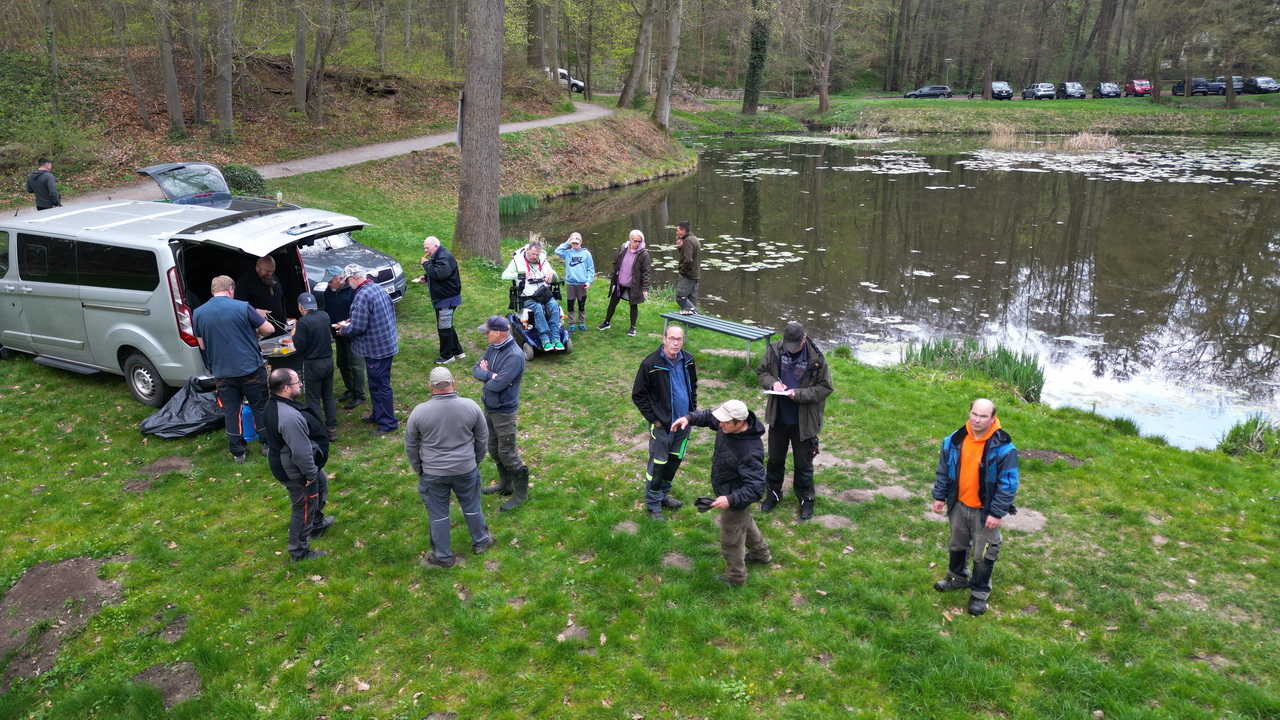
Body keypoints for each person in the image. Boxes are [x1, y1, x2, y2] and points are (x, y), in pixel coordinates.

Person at [930, 398, 1020, 616]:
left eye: (983, 416)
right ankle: (957, 578)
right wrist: (940, 496)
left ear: (993, 418)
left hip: (985, 512)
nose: (977, 420)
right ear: (969, 413)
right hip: (959, 505)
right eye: (974, 414)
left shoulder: (1004, 447)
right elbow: (944, 470)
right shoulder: (954, 440)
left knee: (983, 554)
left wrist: (996, 513)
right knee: (957, 545)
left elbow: (1008, 484)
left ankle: (979, 593)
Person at [671, 400, 771, 586]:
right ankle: (761, 554)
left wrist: (731, 499)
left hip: (735, 496)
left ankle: (735, 578)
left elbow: (757, 488)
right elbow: (710, 417)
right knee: (744, 523)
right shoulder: (728, 424)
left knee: (731, 540)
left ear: (740, 423)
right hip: (729, 491)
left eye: (725, 422)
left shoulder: (749, 452)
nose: (720, 424)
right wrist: (689, 418)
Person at [405, 366, 495, 568]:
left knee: (438, 514)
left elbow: (410, 444)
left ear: (430, 387)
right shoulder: (470, 406)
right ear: (453, 383)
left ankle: (443, 557)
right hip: (466, 469)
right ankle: (481, 541)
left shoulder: (419, 412)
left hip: (433, 473)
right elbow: (483, 437)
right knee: (472, 506)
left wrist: (418, 467)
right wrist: (475, 460)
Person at [756, 321, 834, 520]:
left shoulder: (817, 358)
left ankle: (806, 499)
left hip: (804, 421)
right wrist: (773, 383)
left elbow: (825, 388)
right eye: (788, 346)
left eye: (795, 346)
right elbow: (762, 372)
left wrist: (798, 394)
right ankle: (773, 493)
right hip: (778, 417)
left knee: (803, 463)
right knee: (775, 459)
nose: (790, 350)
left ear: (804, 340)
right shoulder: (775, 349)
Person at [192, 275, 274, 463]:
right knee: (259, 406)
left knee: (231, 410)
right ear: (231, 289)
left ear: (212, 291)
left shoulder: (198, 313)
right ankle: (267, 445)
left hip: (222, 372)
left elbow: (202, 345)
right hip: (250, 369)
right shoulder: (243, 307)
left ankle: (238, 452)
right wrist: (255, 332)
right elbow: (269, 329)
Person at [264, 368, 333, 562]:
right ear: (286, 388)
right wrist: (310, 474)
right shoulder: (289, 417)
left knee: (321, 485)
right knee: (303, 507)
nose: (301, 384)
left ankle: (317, 525)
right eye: (297, 382)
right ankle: (298, 552)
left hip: (295, 463)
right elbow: (301, 452)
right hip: (296, 470)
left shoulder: (274, 402)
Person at [632, 324, 697, 520]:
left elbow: (693, 386)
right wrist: (655, 420)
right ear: (664, 339)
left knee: (674, 461)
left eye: (679, 339)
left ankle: (662, 495)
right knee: (658, 464)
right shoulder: (651, 364)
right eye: (672, 338)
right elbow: (638, 395)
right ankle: (653, 504)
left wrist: (692, 412)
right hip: (663, 427)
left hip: (684, 422)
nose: (675, 343)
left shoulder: (688, 359)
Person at [472, 315, 529, 511]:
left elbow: (496, 386)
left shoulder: (514, 356)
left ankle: (521, 495)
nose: (485, 334)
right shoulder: (493, 347)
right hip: (490, 406)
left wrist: (489, 377)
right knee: (494, 448)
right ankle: (506, 485)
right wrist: (490, 374)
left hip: (504, 411)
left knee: (507, 452)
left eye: (487, 332)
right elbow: (476, 369)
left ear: (497, 333)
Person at [336, 263, 399, 436]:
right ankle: (378, 415)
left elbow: (358, 327)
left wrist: (343, 330)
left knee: (380, 386)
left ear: (353, 277)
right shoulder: (377, 288)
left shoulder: (362, 295)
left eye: (347, 280)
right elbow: (372, 315)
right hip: (387, 344)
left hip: (376, 350)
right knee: (377, 385)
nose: (347, 284)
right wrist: (351, 321)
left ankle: (388, 423)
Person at [502, 238, 564, 351]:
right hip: (527, 296)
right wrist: (520, 274)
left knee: (554, 305)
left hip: (544, 294)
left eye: (537, 255)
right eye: (533, 254)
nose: (535, 257)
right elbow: (504, 276)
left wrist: (551, 273)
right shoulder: (517, 260)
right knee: (538, 308)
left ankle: (556, 338)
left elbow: (554, 276)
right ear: (527, 250)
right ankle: (545, 339)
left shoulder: (543, 260)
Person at [291, 292, 337, 441]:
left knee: (313, 399)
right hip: (328, 361)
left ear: (300, 307)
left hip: (313, 364)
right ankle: (332, 429)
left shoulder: (303, 322)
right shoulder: (324, 316)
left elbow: (300, 346)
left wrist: (294, 335)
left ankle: (318, 431)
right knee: (328, 396)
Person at [321, 265, 367, 411]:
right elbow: (328, 310)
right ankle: (350, 388)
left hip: (352, 334)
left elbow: (358, 314)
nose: (329, 284)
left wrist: (347, 326)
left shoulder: (352, 291)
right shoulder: (329, 292)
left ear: (341, 278)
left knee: (356, 365)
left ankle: (360, 394)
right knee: (342, 362)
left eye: (331, 281)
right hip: (338, 333)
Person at [420, 236, 467, 365]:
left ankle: (447, 356)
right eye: (425, 248)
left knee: (444, 328)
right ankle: (458, 351)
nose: (425, 250)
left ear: (436, 246)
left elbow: (440, 274)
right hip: (445, 297)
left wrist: (425, 264)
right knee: (447, 325)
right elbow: (437, 272)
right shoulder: (438, 255)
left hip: (446, 299)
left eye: (427, 248)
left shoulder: (444, 257)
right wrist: (426, 277)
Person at [598, 229, 652, 337]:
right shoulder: (622, 249)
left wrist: (645, 288)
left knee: (633, 305)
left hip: (633, 284)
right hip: (620, 282)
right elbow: (615, 263)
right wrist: (612, 276)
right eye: (635, 241)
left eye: (640, 241)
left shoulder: (644, 254)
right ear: (630, 239)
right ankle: (607, 322)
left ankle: (632, 327)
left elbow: (646, 272)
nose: (637, 244)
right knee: (613, 302)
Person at [235, 256, 287, 334]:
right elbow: (238, 304)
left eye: (272, 271)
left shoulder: (273, 277)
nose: (270, 274)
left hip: (279, 327)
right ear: (258, 266)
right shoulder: (244, 281)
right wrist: (255, 310)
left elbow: (281, 299)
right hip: (260, 330)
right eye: (267, 271)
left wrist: (284, 320)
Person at [554, 232, 595, 332]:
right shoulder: (567, 253)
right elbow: (557, 251)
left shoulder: (586, 254)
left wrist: (588, 281)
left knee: (581, 303)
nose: (575, 245)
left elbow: (590, 269)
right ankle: (571, 323)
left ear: (581, 242)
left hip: (582, 284)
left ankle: (581, 322)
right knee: (570, 303)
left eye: (577, 243)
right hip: (571, 283)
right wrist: (567, 243)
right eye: (573, 243)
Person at [674, 221, 701, 315]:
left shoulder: (688, 241)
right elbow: (690, 255)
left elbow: (688, 260)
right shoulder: (694, 238)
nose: (677, 233)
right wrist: (680, 247)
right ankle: (693, 320)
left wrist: (682, 272)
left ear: (683, 230)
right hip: (695, 275)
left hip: (688, 275)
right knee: (691, 300)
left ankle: (698, 314)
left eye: (678, 230)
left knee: (680, 298)